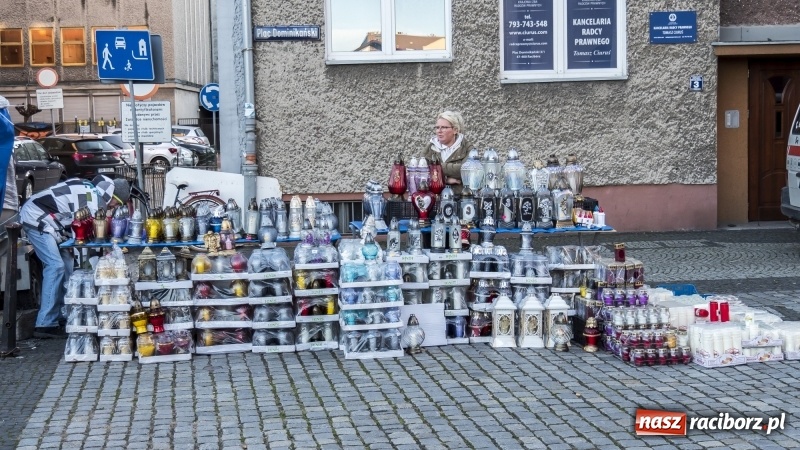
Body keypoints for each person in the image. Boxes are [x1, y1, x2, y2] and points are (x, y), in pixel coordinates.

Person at [20, 175, 130, 338]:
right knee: (55, 266)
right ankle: (45, 324)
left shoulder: (90, 190)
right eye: (117, 203)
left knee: (67, 266)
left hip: (46, 220)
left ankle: (62, 314)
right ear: (111, 196)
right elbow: (87, 239)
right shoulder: (94, 200)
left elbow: (71, 219)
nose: (114, 207)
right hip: (36, 218)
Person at [422, 110, 473, 195]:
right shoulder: (430, 148)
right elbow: (422, 172)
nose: (439, 131)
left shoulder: (467, 148)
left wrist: (436, 168)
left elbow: (467, 171)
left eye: (444, 127)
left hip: (460, 197)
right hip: (434, 198)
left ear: (455, 130)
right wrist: (445, 180)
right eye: (437, 127)